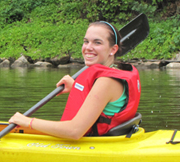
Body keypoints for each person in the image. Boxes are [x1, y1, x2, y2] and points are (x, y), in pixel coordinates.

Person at [9, 21, 140, 139]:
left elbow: (74, 131)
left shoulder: (107, 81)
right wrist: (77, 86)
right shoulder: (116, 70)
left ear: (113, 49)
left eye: (97, 42)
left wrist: (28, 122)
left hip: (99, 146)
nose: (88, 47)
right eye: (86, 41)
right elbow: (105, 101)